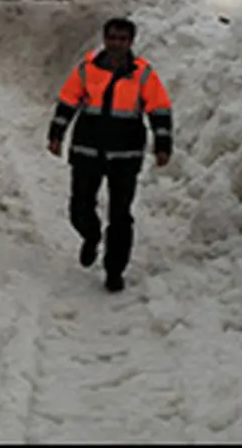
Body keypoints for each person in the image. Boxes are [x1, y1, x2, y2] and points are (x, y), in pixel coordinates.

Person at [47, 17, 173, 293]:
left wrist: (163, 144)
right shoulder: (87, 70)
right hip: (87, 151)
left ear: (131, 42)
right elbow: (68, 101)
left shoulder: (143, 74)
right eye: (112, 38)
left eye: (122, 39)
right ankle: (91, 236)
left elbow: (159, 108)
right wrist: (56, 134)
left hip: (125, 156)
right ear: (104, 39)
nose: (116, 43)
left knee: (120, 215)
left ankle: (114, 270)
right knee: (79, 207)